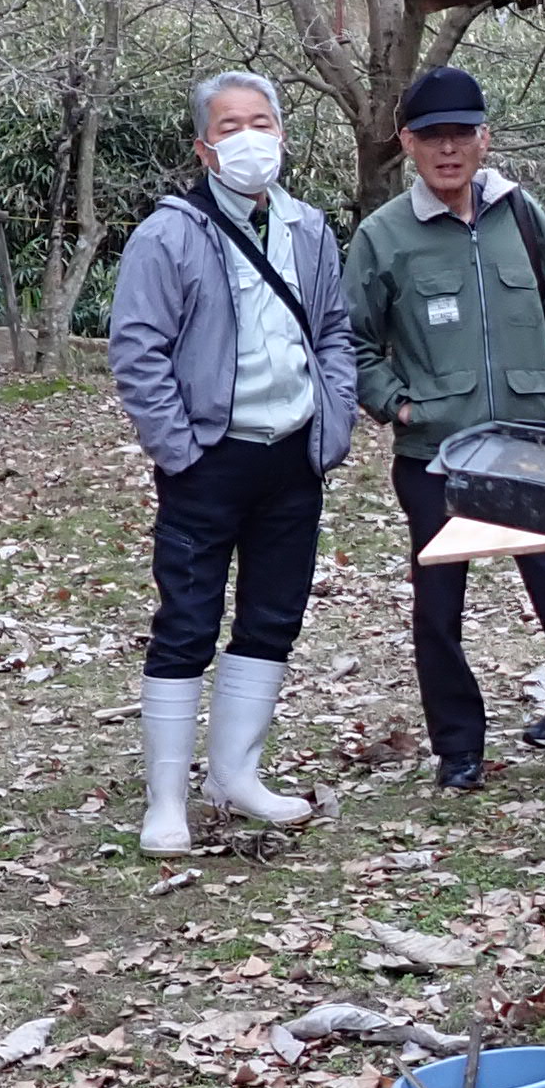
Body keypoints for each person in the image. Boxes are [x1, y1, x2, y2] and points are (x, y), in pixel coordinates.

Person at [345, 65, 545, 800]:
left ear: (484, 138)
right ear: (408, 143)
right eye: (432, 136)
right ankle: (458, 751)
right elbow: (351, 340)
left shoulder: (519, 216)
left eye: (462, 134)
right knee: (440, 611)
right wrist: (397, 405)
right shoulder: (383, 236)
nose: (449, 149)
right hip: (440, 457)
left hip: (530, 452)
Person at [105, 70, 358, 853]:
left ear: (282, 133)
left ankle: (236, 774)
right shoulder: (169, 234)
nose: (249, 138)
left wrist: (333, 423)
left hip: (292, 456)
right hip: (207, 458)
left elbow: (334, 332)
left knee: (272, 618)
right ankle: (166, 799)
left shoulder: (309, 229)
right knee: (186, 621)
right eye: (230, 126)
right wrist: (178, 448)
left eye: (261, 122)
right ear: (205, 148)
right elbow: (138, 351)